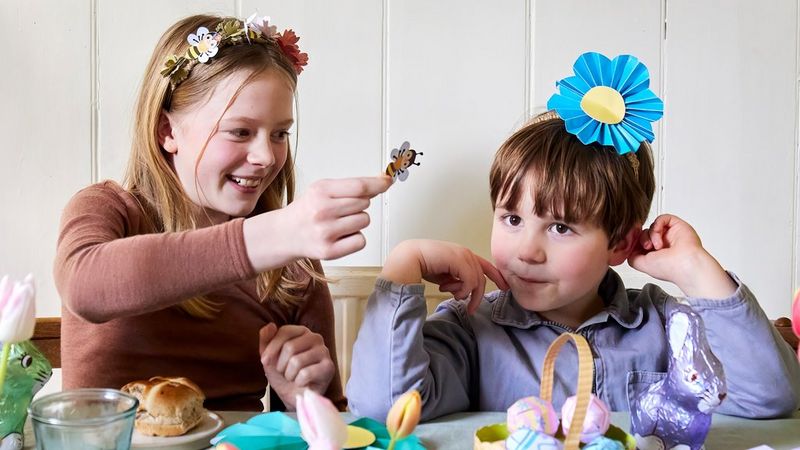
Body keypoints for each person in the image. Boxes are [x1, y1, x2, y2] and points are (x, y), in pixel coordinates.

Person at [347, 52, 800, 421]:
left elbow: (768, 398)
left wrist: (697, 271)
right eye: (511, 219)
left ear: (620, 243)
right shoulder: (471, 330)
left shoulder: (661, 327)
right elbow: (383, 407)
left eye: (560, 227)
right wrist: (404, 265)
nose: (527, 250)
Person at [53, 13, 391, 412]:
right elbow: (85, 287)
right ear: (168, 131)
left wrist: (305, 397)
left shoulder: (292, 265)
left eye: (280, 133)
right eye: (240, 132)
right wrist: (276, 235)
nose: (266, 156)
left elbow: (325, 430)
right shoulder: (109, 210)